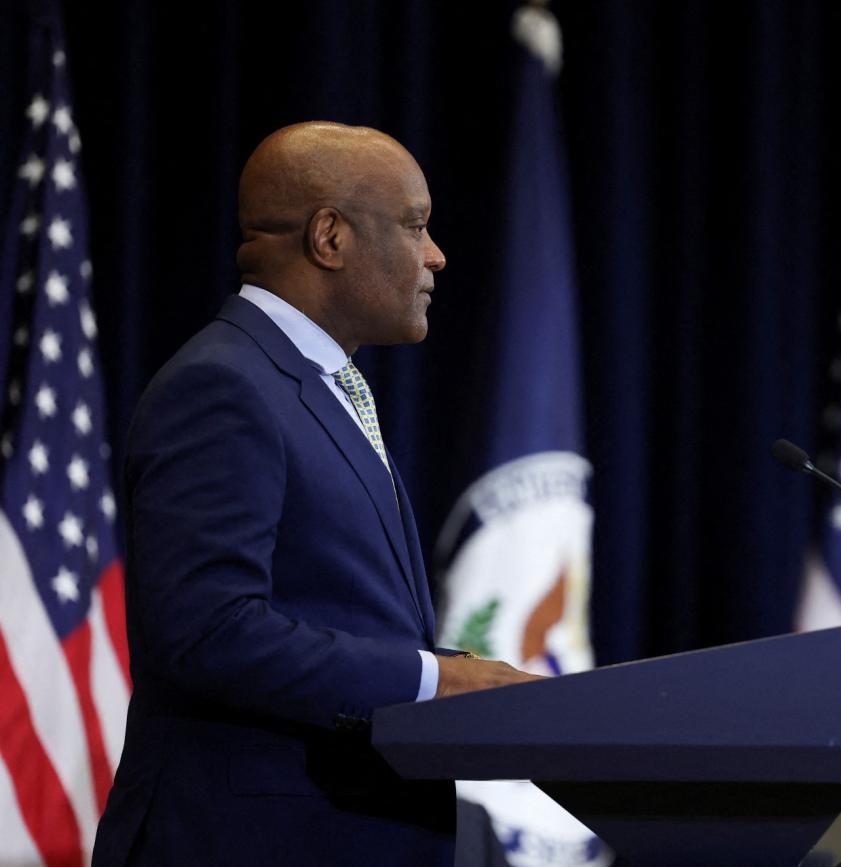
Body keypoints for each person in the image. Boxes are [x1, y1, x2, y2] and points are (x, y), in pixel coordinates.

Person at [93, 122, 540, 867]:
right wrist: (435, 678)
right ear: (329, 237)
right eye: (415, 225)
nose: (436, 255)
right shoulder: (224, 385)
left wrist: (447, 670)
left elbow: (330, 607)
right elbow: (209, 630)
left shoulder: (317, 386)